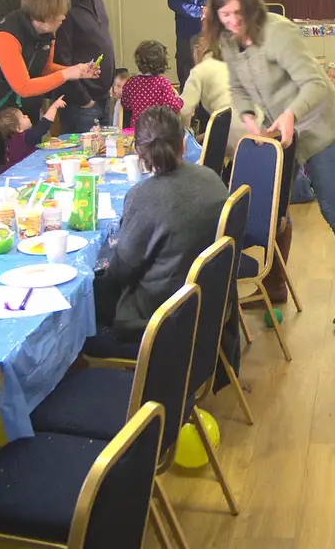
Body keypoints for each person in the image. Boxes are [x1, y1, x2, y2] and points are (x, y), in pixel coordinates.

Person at [205, 0, 335, 327]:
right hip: (279, 130)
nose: (233, 23)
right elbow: (238, 89)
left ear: (251, 6)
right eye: (225, 16)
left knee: (332, 207)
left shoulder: (278, 31)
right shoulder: (227, 40)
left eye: (238, 14)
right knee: (275, 209)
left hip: (318, 123)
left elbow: (314, 84)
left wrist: (289, 113)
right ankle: (273, 285)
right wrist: (252, 121)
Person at [87, 105, 229, 359]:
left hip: (161, 316)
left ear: (138, 153)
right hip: (209, 303)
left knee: (86, 295)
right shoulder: (211, 179)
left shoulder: (142, 197)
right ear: (184, 143)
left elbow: (121, 271)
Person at [0, 0, 100, 172]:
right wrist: (66, 74)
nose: (63, 17)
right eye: (59, 13)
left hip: (22, 115)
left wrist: (76, 72)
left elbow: (44, 69)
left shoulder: (46, 34)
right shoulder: (5, 37)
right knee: (0, 172)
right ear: (45, 16)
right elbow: (24, 86)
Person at [54, 0, 115, 134]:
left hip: (103, 95)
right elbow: (61, 60)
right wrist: (84, 98)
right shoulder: (60, 5)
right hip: (81, 102)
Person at [180, 36, 236, 143]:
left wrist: (186, 137)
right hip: (252, 133)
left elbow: (185, 111)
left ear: (198, 48)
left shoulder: (201, 70)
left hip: (228, 137)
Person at [0, 97, 66, 174]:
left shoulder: (10, 138)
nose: (26, 116)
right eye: (23, 117)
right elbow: (44, 125)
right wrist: (54, 107)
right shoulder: (26, 137)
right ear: (19, 128)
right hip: (26, 171)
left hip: (13, 171)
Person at [121, 40, 184, 116]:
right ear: (162, 62)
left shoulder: (132, 82)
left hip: (138, 126)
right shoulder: (162, 83)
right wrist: (180, 100)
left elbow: (126, 104)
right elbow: (173, 107)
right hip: (158, 126)